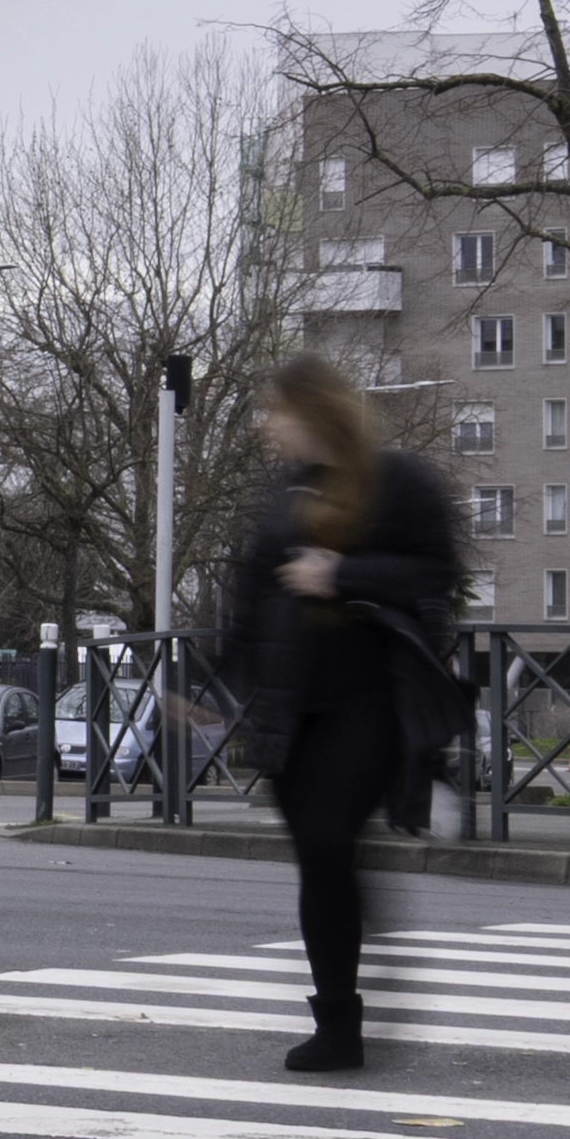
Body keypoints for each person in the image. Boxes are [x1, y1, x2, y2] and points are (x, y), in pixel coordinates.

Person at [207, 354, 464, 1074]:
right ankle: (339, 1023)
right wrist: (208, 687)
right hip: (294, 707)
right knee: (323, 865)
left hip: (372, 702)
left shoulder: (397, 481)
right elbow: (250, 595)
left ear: (313, 411)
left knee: (327, 843)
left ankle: (343, 1021)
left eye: (276, 410)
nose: (266, 423)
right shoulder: (283, 492)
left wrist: (340, 573)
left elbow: (437, 573)